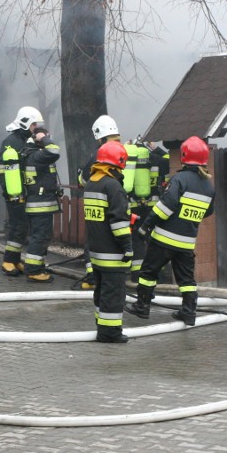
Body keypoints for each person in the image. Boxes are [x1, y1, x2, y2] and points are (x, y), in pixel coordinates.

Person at [126, 136, 216, 326]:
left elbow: (165, 206)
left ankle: (142, 307)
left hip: (164, 240)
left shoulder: (180, 179)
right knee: (186, 279)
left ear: (184, 156)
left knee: (149, 273)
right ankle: (189, 313)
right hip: (186, 242)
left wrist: (146, 226)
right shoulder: (208, 186)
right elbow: (208, 211)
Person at [83, 140, 133, 343]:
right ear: (118, 162)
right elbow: (118, 223)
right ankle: (110, 333)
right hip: (112, 254)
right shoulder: (113, 186)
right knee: (113, 294)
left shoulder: (91, 183)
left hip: (96, 252)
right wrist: (128, 247)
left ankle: (101, 326)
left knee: (101, 291)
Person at [0, 106, 44, 276]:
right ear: (25, 123)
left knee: (22, 226)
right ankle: (8, 261)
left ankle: (14, 259)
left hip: (23, 192)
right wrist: (10, 190)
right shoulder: (12, 141)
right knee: (18, 226)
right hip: (15, 194)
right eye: (34, 124)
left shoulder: (24, 141)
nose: (36, 127)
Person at [77, 114, 123, 289]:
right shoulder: (124, 149)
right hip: (120, 202)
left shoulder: (99, 153)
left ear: (100, 136)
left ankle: (93, 277)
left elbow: (84, 179)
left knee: (94, 238)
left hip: (99, 203)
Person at [20, 126, 61, 282]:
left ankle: (38, 266)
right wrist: (43, 137)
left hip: (39, 203)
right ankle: (33, 270)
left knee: (42, 236)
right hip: (41, 204)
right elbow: (54, 151)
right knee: (40, 237)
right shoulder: (37, 155)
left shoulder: (30, 154)